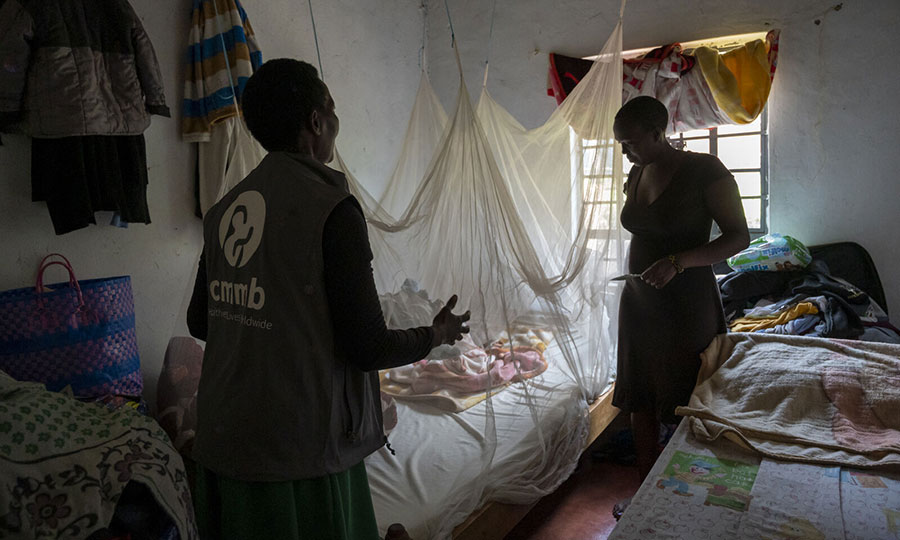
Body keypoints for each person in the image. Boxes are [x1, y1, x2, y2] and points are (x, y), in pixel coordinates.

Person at [186, 58, 470, 540]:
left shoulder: (224, 209)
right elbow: (368, 347)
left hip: (222, 435)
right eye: (332, 110)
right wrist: (436, 333)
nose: (336, 122)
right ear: (316, 123)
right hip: (296, 450)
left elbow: (200, 322)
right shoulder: (331, 208)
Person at [610, 96, 750, 517]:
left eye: (630, 142)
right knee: (640, 397)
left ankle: (693, 498)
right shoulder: (637, 173)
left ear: (658, 132)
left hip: (686, 306)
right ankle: (647, 498)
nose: (625, 152)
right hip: (640, 304)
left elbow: (738, 236)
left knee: (689, 396)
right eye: (620, 144)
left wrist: (678, 262)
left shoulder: (704, 170)